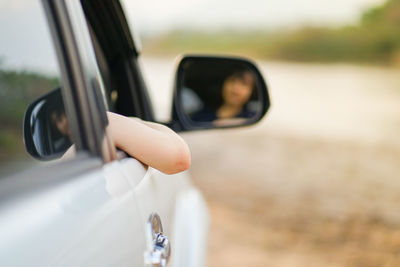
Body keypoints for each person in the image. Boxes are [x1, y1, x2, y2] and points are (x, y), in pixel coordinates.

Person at [62, 112, 191, 175]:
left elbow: (178, 157)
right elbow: (178, 158)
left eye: (62, 114)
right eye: (57, 119)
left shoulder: (102, 126)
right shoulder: (103, 126)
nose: (63, 122)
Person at [190, 69, 256, 125]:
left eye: (244, 84)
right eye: (232, 81)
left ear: (252, 90)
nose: (236, 89)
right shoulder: (200, 117)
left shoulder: (253, 119)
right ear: (223, 84)